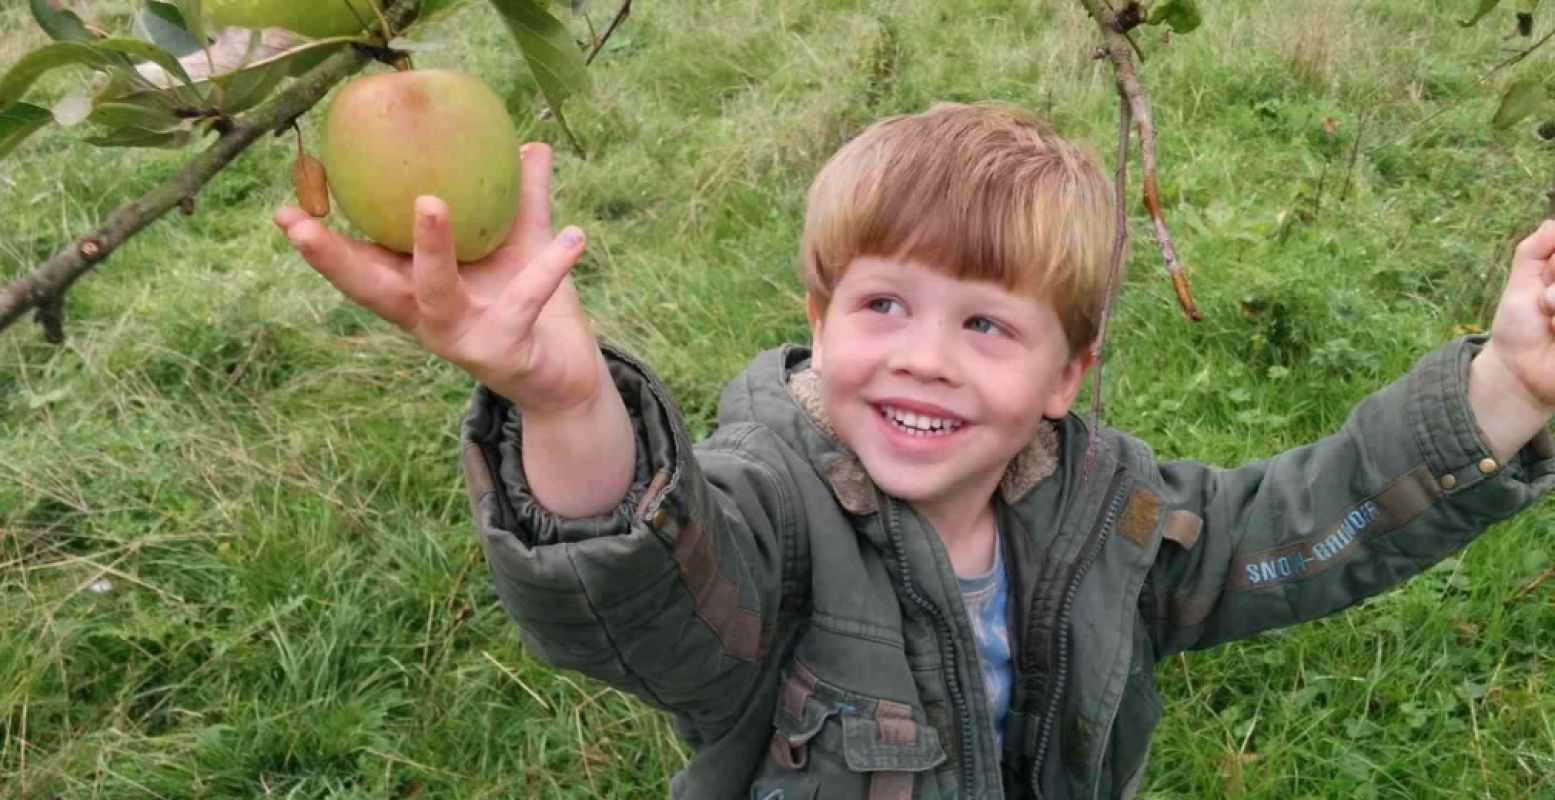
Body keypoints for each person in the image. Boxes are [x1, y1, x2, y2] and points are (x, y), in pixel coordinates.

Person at [273, 102, 1555, 799]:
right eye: (882, 305)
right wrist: (558, 400)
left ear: (1067, 377)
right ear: (815, 319)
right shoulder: (771, 511)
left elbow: (1296, 526)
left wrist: (1504, 385)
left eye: (986, 323)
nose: (924, 356)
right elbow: (647, 586)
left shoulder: (1108, 508)